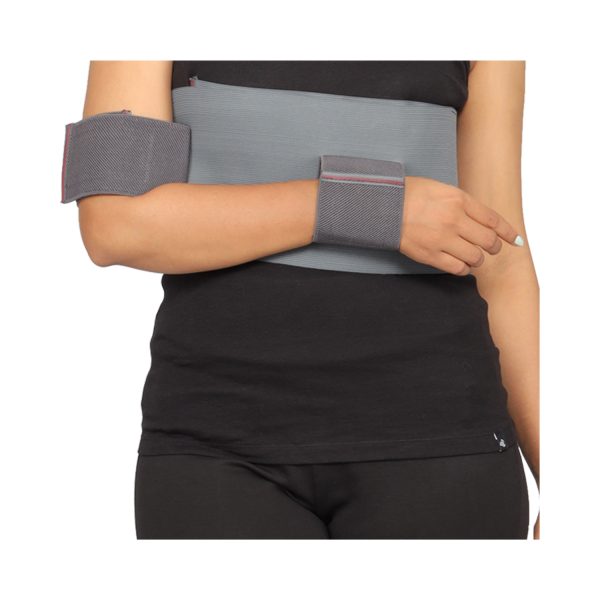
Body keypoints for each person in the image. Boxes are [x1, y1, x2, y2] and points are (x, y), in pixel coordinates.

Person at [70, 60, 539, 539]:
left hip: (444, 440)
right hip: (214, 440)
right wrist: (378, 207)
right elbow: (115, 223)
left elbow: (499, 258)